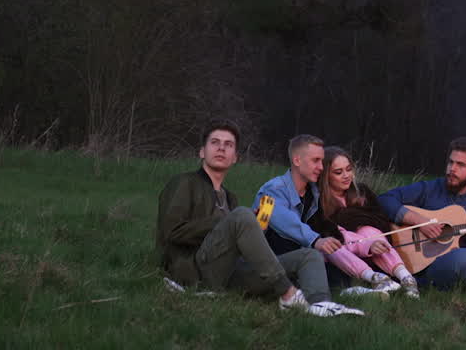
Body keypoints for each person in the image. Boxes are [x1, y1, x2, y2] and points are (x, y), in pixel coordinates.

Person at [155, 121, 364, 317]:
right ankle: (288, 294)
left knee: (309, 255)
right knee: (242, 215)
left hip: (232, 272)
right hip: (198, 271)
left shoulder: (230, 197)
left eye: (228, 145)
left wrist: (253, 229)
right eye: (215, 143)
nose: (221, 148)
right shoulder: (184, 183)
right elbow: (172, 233)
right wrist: (228, 221)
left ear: (235, 157)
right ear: (202, 151)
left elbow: (237, 240)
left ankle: (321, 305)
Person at [254, 135, 399, 295]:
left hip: (306, 253)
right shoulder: (273, 189)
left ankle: (353, 287)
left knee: (331, 254)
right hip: (270, 254)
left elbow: (329, 227)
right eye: (315, 161)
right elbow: (280, 221)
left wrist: (363, 243)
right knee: (289, 240)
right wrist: (315, 240)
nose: (321, 167)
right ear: (297, 161)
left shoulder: (314, 192)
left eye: (322, 161)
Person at [378, 137, 466, 295]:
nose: (452, 169)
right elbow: (384, 200)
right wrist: (420, 221)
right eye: (451, 162)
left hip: (450, 268)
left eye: (460, 165)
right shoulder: (430, 189)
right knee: (465, 258)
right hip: (419, 269)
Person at [307, 146, 420, 298]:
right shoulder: (318, 200)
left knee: (369, 230)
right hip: (341, 256)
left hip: (373, 252)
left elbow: (381, 222)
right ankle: (373, 279)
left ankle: (406, 278)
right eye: (338, 172)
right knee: (333, 241)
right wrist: (359, 228)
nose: (346, 176)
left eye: (349, 169)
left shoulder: (362, 192)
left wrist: (357, 225)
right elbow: (327, 230)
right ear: (325, 176)